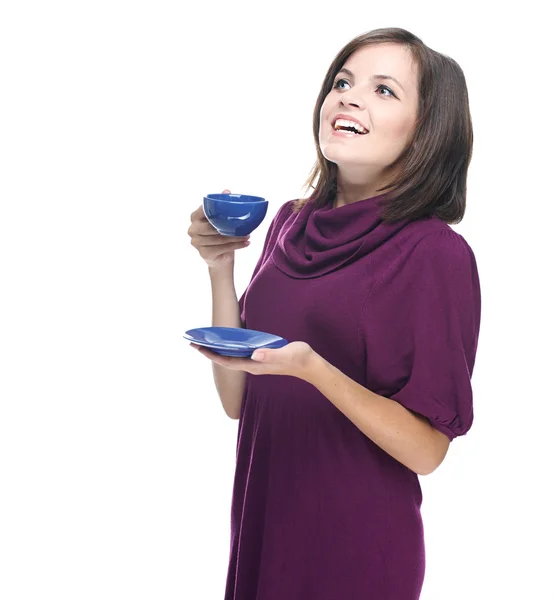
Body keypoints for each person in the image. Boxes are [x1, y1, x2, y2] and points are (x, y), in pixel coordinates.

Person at [187, 26, 480, 600]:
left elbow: (427, 450)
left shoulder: (434, 253)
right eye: (343, 82)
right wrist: (220, 266)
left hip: (353, 546)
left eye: (384, 90)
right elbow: (236, 401)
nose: (348, 96)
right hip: (264, 518)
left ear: (426, 133)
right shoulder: (290, 222)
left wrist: (315, 371)